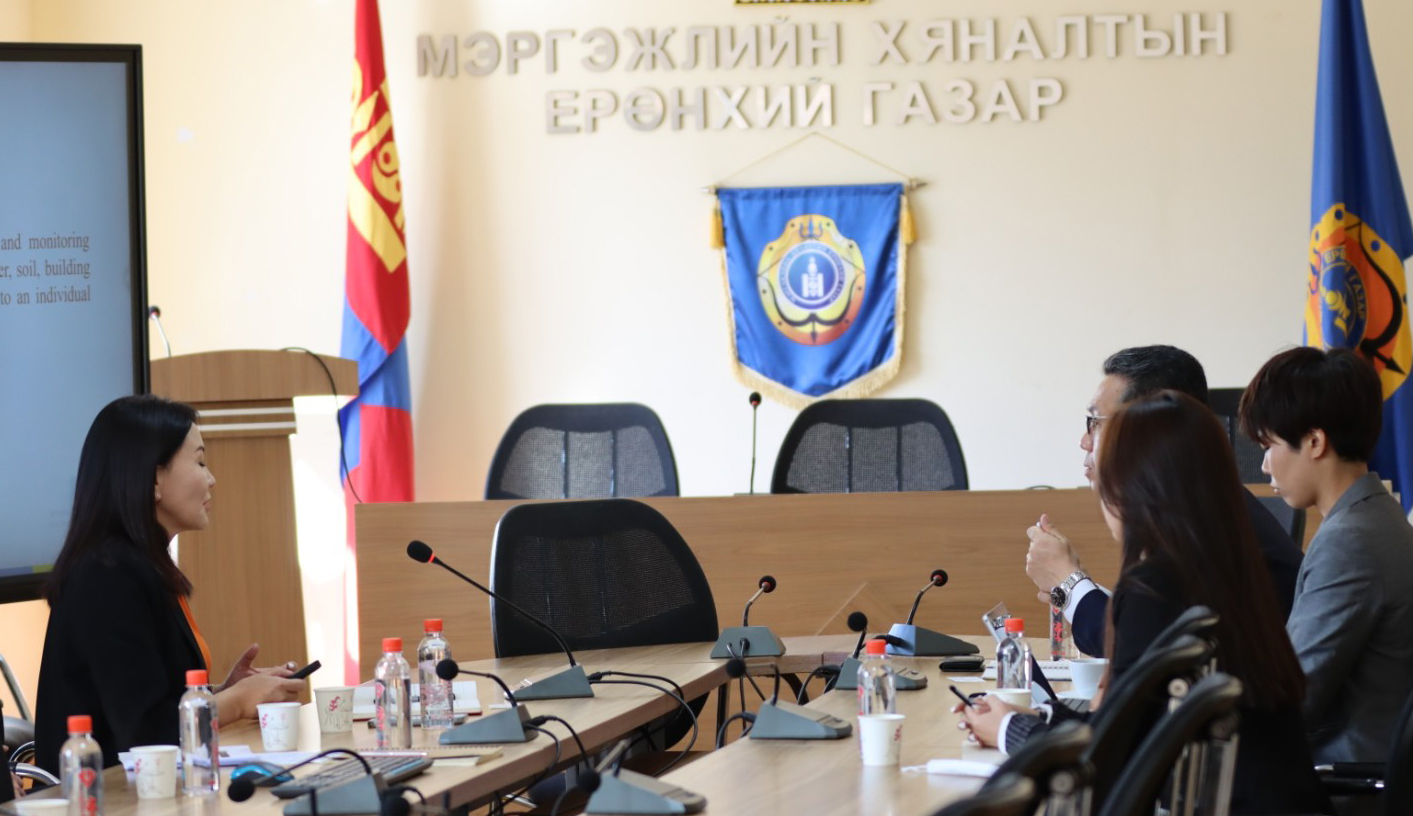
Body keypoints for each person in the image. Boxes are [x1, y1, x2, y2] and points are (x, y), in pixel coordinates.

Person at [959, 391, 1329, 813]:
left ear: (1132, 486)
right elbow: (1134, 729)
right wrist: (1038, 718)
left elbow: (1110, 763)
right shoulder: (1229, 566)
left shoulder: (1156, 587)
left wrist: (1007, 729)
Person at [34, 396, 305, 773]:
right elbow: (146, 733)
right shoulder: (106, 574)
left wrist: (223, 692)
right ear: (154, 479)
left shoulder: (139, 564)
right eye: (200, 462)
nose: (211, 479)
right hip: (100, 795)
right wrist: (236, 702)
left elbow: (152, 703)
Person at [1024, 345, 1303, 657]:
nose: (1084, 441)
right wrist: (1074, 586)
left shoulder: (1198, 518)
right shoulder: (1202, 498)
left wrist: (1067, 581)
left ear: (1149, 429)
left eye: (1097, 422)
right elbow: (1151, 621)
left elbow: (1140, 646)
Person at [1239, 346, 1413, 764]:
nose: (1264, 466)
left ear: (1315, 442)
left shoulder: (1349, 542)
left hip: (1344, 778)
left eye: (1269, 445)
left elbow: (1292, 699)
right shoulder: (1381, 515)